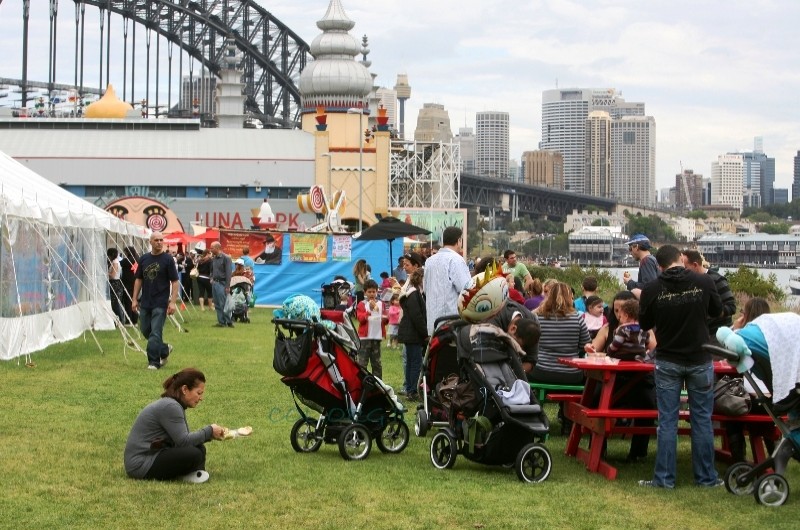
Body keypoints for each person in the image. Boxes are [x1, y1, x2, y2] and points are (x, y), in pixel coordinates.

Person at [638, 244, 723, 489]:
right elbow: (718, 310)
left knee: (667, 421)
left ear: (660, 265)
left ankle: (664, 479)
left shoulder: (652, 288)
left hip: (667, 359)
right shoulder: (703, 281)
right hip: (699, 357)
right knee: (702, 419)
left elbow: (645, 323)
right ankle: (706, 478)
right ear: (681, 259)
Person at [124, 368, 225, 483]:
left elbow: (182, 441)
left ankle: (193, 474)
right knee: (194, 453)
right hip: (140, 465)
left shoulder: (172, 404)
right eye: (199, 393)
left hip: (150, 457)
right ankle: (187, 474)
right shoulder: (170, 406)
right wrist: (209, 430)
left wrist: (210, 435)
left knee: (199, 448)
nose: (201, 398)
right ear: (185, 389)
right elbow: (183, 441)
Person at [723, 296, 774, 462]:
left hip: (753, 403)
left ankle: (738, 459)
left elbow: (723, 353)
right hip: (776, 403)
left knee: (731, 410)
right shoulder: (774, 338)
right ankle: (774, 453)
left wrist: (734, 327)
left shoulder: (741, 337)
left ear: (746, 315)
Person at [132, 232, 179, 370]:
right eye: (156, 240)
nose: (159, 242)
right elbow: (139, 279)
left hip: (161, 301)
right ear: (150, 242)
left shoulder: (168, 259)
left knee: (155, 332)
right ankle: (164, 349)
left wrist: (172, 302)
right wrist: (134, 299)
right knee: (146, 330)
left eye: (161, 240)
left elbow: (175, 281)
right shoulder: (144, 259)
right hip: (145, 301)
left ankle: (154, 362)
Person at [530, 282, 591, 386]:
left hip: (541, 371)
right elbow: (585, 346)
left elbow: (531, 343)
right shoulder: (577, 318)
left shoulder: (538, 317)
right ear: (569, 297)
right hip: (572, 374)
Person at [423, 226, 471, 335]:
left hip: (433, 323)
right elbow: (467, 289)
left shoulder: (429, 261)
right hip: (451, 324)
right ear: (459, 240)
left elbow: (425, 290)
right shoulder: (456, 260)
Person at [681, 249, 736, 341]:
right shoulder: (686, 282)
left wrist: (713, 313)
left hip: (717, 335)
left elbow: (731, 307)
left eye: (685, 268)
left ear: (695, 265)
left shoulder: (717, 280)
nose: (682, 272)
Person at [397, 269, 427, 400]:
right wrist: (425, 332)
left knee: (410, 363)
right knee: (416, 363)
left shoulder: (410, 293)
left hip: (409, 333)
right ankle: (412, 390)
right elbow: (417, 316)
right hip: (413, 334)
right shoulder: (414, 294)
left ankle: (410, 389)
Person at [355, 279, 386, 378]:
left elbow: (385, 318)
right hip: (365, 338)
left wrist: (385, 318)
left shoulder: (381, 304)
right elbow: (360, 318)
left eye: (374, 291)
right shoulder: (362, 304)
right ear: (365, 292)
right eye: (369, 292)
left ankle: (378, 384)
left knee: (377, 363)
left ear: (377, 292)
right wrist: (370, 311)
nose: (372, 294)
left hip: (376, 337)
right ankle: (360, 383)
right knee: (362, 362)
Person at [623, 234, 659, 299]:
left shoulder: (646, 261)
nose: (630, 252)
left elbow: (648, 287)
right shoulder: (653, 259)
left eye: (630, 248)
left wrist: (629, 283)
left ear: (636, 247)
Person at [209, 242, 234, 328]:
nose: (210, 250)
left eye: (212, 248)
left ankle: (229, 321)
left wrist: (227, 286)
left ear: (217, 248)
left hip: (222, 283)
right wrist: (211, 278)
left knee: (223, 304)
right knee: (217, 304)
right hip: (215, 283)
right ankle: (221, 322)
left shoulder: (226, 258)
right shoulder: (214, 258)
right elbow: (211, 270)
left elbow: (228, 273)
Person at [120, 246, 139, 325]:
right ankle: (135, 319)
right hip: (135, 282)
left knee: (128, 301)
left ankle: (129, 319)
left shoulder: (126, 260)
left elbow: (120, 263)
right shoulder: (137, 259)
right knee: (134, 300)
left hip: (127, 282)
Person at [107, 248, 126, 324]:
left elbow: (113, 275)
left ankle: (120, 320)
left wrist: (106, 273)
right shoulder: (116, 261)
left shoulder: (115, 262)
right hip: (116, 283)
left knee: (115, 303)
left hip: (114, 283)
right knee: (116, 302)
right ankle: (119, 319)